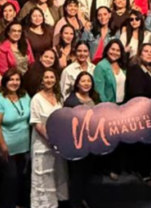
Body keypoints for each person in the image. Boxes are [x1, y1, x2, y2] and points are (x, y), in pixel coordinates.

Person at [0, 68, 32, 208]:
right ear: (5, 81)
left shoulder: (25, 96)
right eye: (11, 79)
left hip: (25, 146)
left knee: (22, 180)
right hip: (7, 148)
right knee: (10, 181)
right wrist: (3, 146)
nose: (14, 82)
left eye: (17, 80)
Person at [124, 44, 151, 185]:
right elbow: (137, 92)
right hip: (141, 113)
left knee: (150, 143)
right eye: (146, 51)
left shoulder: (150, 70)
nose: (149, 54)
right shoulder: (136, 69)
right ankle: (144, 172)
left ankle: (149, 169)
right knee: (143, 144)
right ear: (140, 54)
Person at [30, 68, 69, 207]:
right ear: (42, 80)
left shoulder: (59, 97)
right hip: (43, 143)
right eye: (46, 77)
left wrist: (59, 141)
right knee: (43, 177)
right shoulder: (36, 99)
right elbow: (37, 124)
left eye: (52, 77)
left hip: (58, 144)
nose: (49, 80)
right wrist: (51, 140)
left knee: (58, 174)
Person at [63, 72, 99, 208]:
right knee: (76, 176)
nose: (86, 83)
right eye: (83, 81)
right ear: (77, 83)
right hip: (76, 144)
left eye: (88, 81)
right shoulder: (70, 101)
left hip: (92, 142)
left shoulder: (95, 98)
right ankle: (76, 203)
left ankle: (84, 199)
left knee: (87, 174)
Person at [93, 40, 127, 104]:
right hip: (108, 106)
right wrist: (107, 107)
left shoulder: (122, 66)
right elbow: (99, 92)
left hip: (123, 105)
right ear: (107, 50)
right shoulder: (101, 66)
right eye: (112, 49)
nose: (115, 52)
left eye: (118, 50)